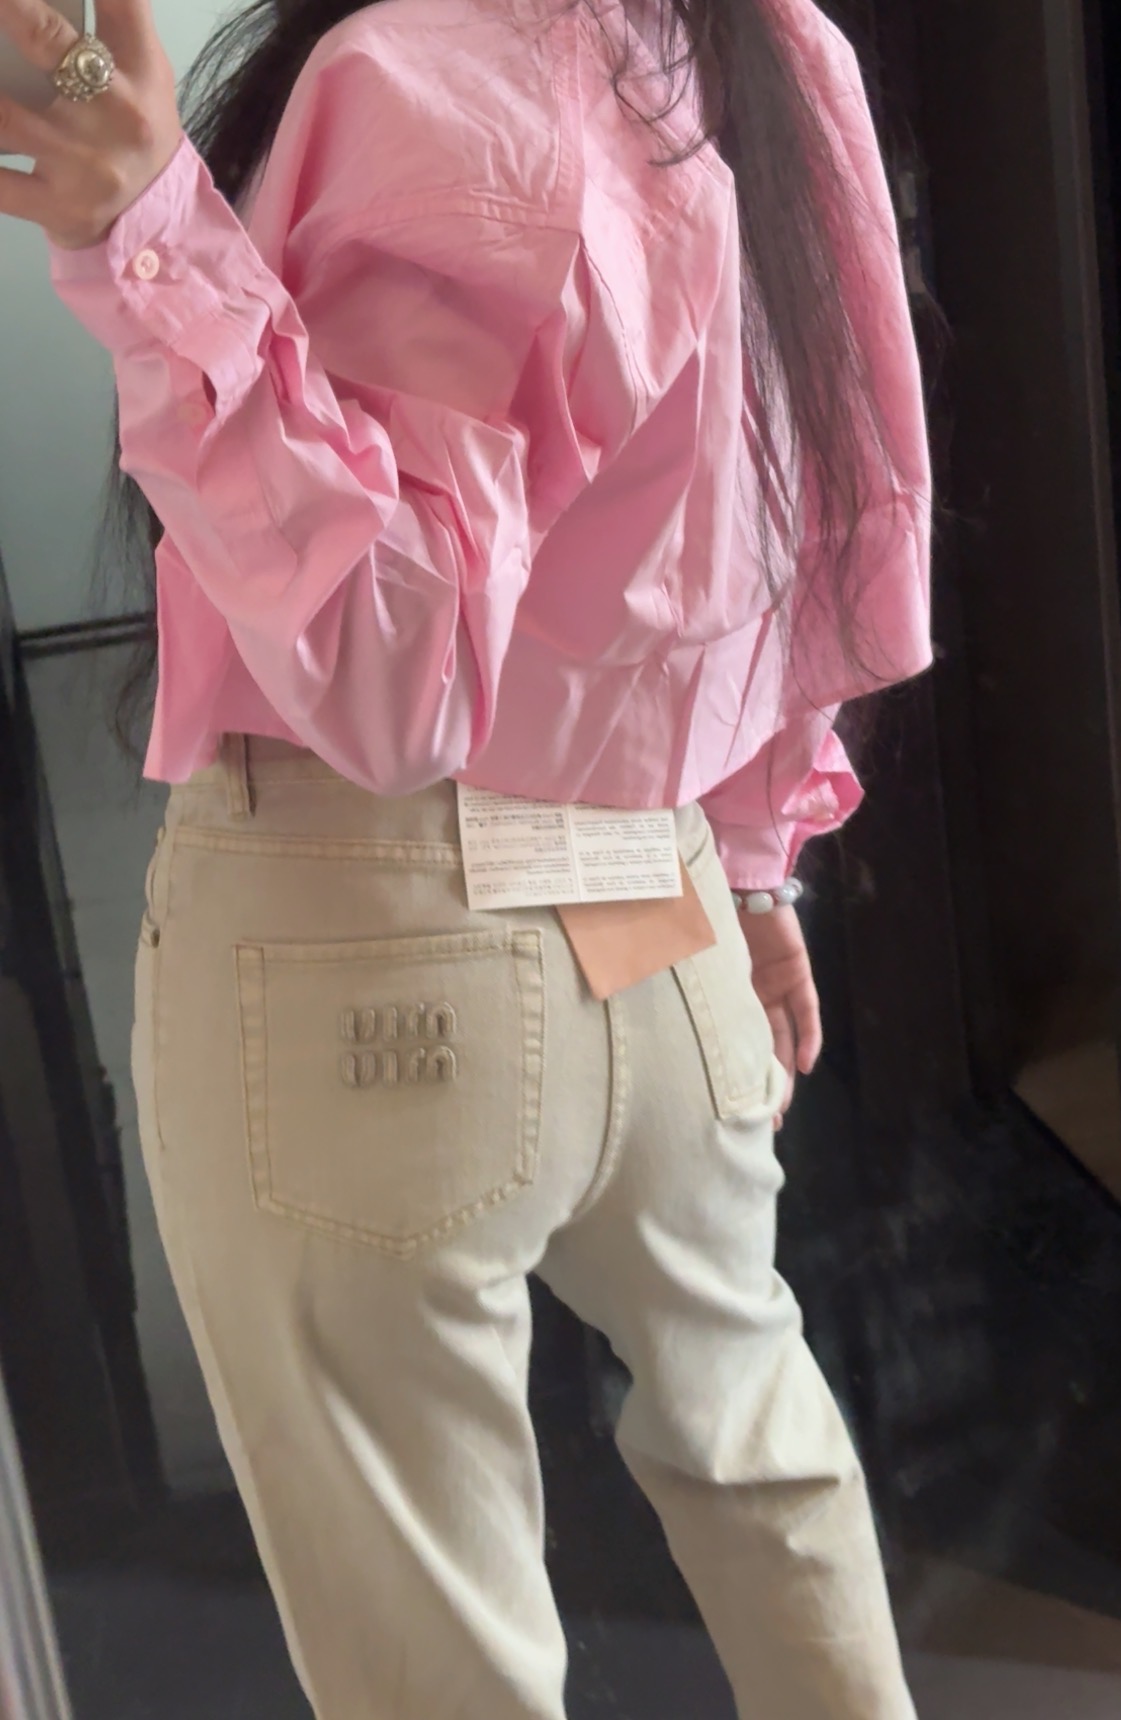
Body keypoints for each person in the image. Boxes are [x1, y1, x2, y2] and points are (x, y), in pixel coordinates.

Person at [0, 0, 931, 1711]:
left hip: (367, 932)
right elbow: (824, 512)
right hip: (661, 901)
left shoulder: (431, 77)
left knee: (435, 1649)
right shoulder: (775, 47)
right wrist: (751, 855)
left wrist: (147, 243)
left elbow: (392, 674)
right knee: (764, 1463)